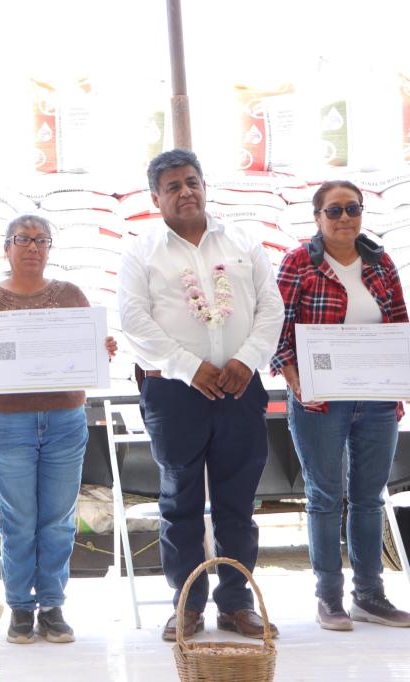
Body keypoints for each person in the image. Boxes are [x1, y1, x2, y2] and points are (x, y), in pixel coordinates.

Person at [117, 148, 284, 642]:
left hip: (240, 386)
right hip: (174, 393)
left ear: (205, 185)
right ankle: (187, 606)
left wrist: (245, 360)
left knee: (237, 501)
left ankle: (236, 604)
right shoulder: (140, 251)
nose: (185, 192)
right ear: (155, 198)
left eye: (192, 182)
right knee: (179, 501)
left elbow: (271, 309)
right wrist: (189, 369)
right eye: (173, 186)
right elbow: (134, 321)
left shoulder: (242, 241)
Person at [0, 214, 116, 644]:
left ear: (49, 249)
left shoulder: (70, 295)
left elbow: (89, 349)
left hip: (65, 419)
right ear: (5, 248)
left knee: (59, 518)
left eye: (41, 240)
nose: (32, 247)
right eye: (22, 239)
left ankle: (53, 605)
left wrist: (102, 349)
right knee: (17, 519)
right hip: (8, 423)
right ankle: (20, 609)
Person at [271, 180, 410, 631]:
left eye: (353, 209)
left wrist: (398, 382)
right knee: (325, 497)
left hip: (375, 401)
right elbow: (277, 329)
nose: (345, 218)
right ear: (317, 218)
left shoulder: (380, 261)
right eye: (334, 211)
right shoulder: (299, 262)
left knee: (370, 498)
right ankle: (328, 599)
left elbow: (399, 325)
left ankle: (370, 596)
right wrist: (296, 383)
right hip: (319, 403)